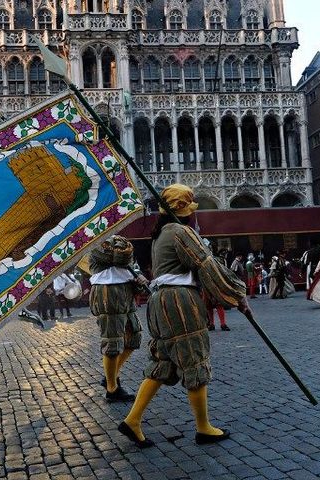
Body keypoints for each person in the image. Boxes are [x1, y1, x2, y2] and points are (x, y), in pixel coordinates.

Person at [118, 184, 248, 448]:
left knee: (162, 362)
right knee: (194, 357)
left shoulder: (161, 233)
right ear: (183, 211)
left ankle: (133, 420)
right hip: (180, 303)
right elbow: (206, 264)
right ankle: (203, 428)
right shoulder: (180, 231)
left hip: (159, 303)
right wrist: (238, 296)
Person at [89, 235, 145, 403]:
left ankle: (109, 377)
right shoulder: (94, 242)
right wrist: (124, 249)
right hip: (107, 292)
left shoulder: (119, 240)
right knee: (112, 342)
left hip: (125, 290)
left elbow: (125, 261)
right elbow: (117, 257)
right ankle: (112, 389)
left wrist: (138, 278)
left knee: (134, 335)